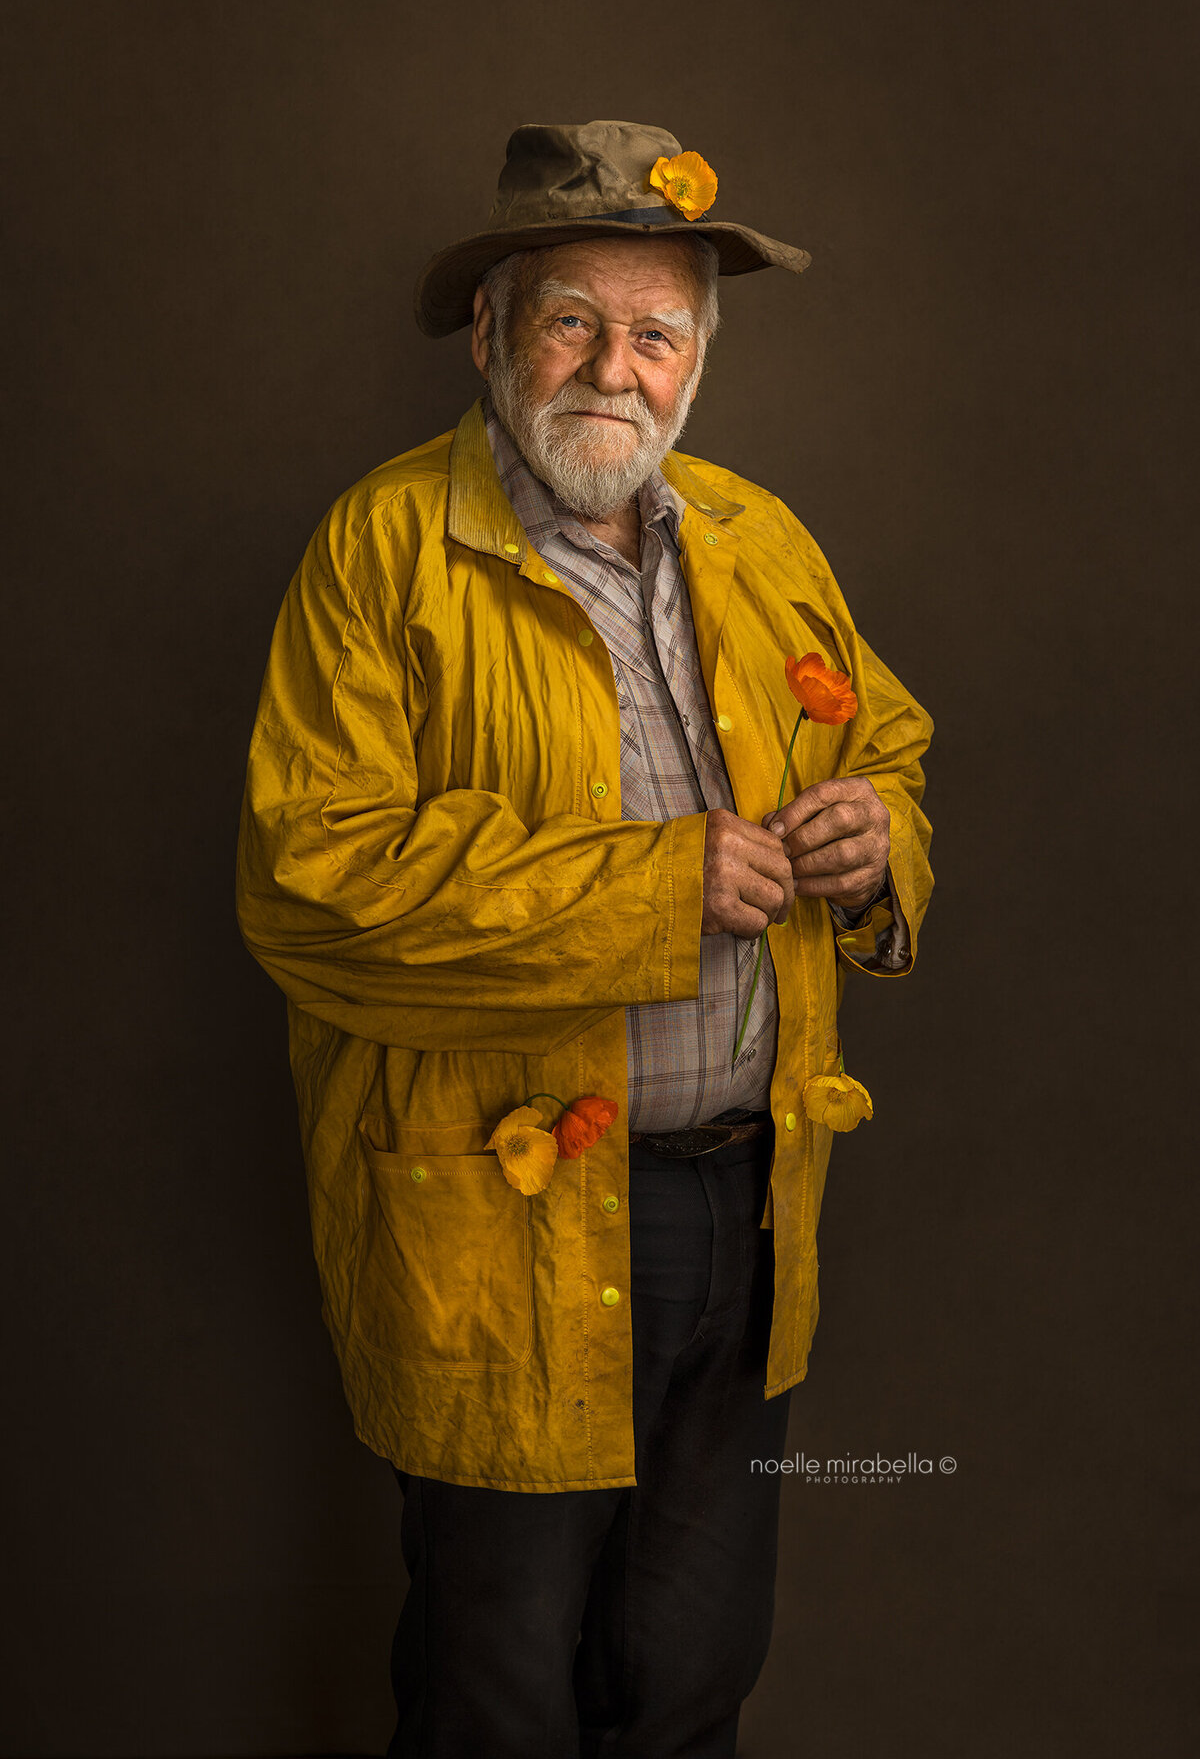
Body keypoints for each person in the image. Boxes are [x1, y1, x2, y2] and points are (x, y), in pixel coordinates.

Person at [236, 119, 934, 1759]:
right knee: (496, 1685)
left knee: (694, 1673)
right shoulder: (380, 553)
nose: (612, 367)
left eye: (656, 332)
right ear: (489, 333)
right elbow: (310, 880)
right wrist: (652, 886)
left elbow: (888, 746)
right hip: (498, 1212)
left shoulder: (764, 544)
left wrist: (880, 838)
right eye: (572, 320)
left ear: (696, 364)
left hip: (749, 1198)